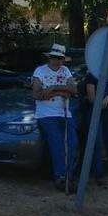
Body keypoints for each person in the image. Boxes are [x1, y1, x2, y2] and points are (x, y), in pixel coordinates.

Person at [32, 44, 79, 192]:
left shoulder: (65, 71)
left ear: (63, 60)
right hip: (46, 114)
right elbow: (37, 95)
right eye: (53, 57)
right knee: (58, 144)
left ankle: (69, 176)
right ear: (49, 57)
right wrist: (58, 91)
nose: (56, 61)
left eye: (59, 58)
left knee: (72, 143)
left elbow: (73, 89)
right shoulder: (40, 71)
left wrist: (52, 89)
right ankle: (60, 177)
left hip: (64, 112)